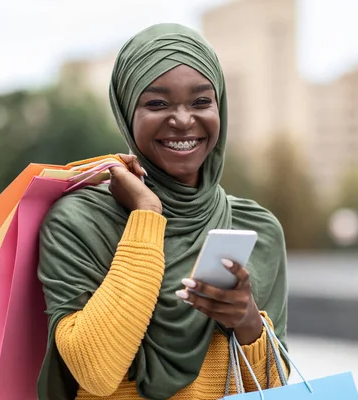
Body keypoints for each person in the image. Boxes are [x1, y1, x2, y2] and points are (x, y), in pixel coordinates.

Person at [36, 23, 289, 400]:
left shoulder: (257, 228)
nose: (183, 120)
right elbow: (96, 371)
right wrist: (146, 215)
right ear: (126, 111)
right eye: (157, 103)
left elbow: (275, 389)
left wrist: (247, 321)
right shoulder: (77, 222)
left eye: (201, 101)